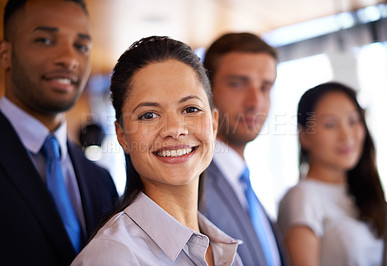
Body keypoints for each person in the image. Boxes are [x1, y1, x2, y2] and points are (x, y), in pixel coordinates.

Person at [72, 36, 243, 265]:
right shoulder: (113, 257)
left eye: (190, 109)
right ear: (122, 135)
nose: (174, 129)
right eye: (149, 115)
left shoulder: (224, 250)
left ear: (213, 124)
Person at [0, 0, 118, 265]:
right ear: (5, 53)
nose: (69, 59)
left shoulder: (100, 181)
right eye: (44, 40)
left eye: (81, 46)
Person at [199, 32, 289, 266]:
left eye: (265, 87)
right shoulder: (194, 185)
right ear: (205, 89)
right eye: (238, 84)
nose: (255, 102)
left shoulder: (245, 186)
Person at [278, 82, 387, 266]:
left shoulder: (359, 194)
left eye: (353, 121)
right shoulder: (303, 197)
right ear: (304, 136)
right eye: (330, 125)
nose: (346, 136)